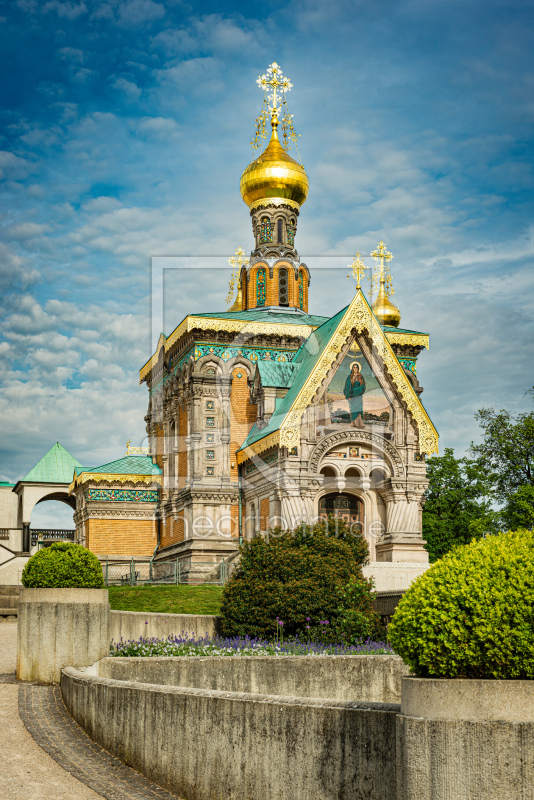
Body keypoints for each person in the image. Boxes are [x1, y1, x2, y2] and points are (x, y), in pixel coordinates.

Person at [343, 362, 366, 428]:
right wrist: (348, 395)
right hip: (352, 395)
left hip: (358, 395)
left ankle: (359, 422)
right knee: (352, 409)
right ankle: (353, 422)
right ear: (352, 368)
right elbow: (347, 387)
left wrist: (359, 392)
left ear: (358, 368)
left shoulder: (360, 376)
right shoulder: (349, 377)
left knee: (358, 409)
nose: (355, 369)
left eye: (356, 367)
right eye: (354, 367)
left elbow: (363, 386)